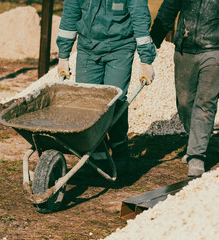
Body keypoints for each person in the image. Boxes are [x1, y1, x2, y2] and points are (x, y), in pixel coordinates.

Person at [150, 0, 219, 177]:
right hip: (185, 49)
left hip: (216, 50)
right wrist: (153, 42)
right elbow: (168, 10)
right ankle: (195, 142)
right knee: (184, 103)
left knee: (205, 103)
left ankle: (197, 155)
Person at [56, 0, 157, 175]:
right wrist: (63, 57)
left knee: (114, 102)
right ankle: (96, 153)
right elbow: (70, 17)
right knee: (87, 103)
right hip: (88, 48)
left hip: (120, 49)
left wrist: (146, 60)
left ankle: (120, 150)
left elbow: (140, 19)